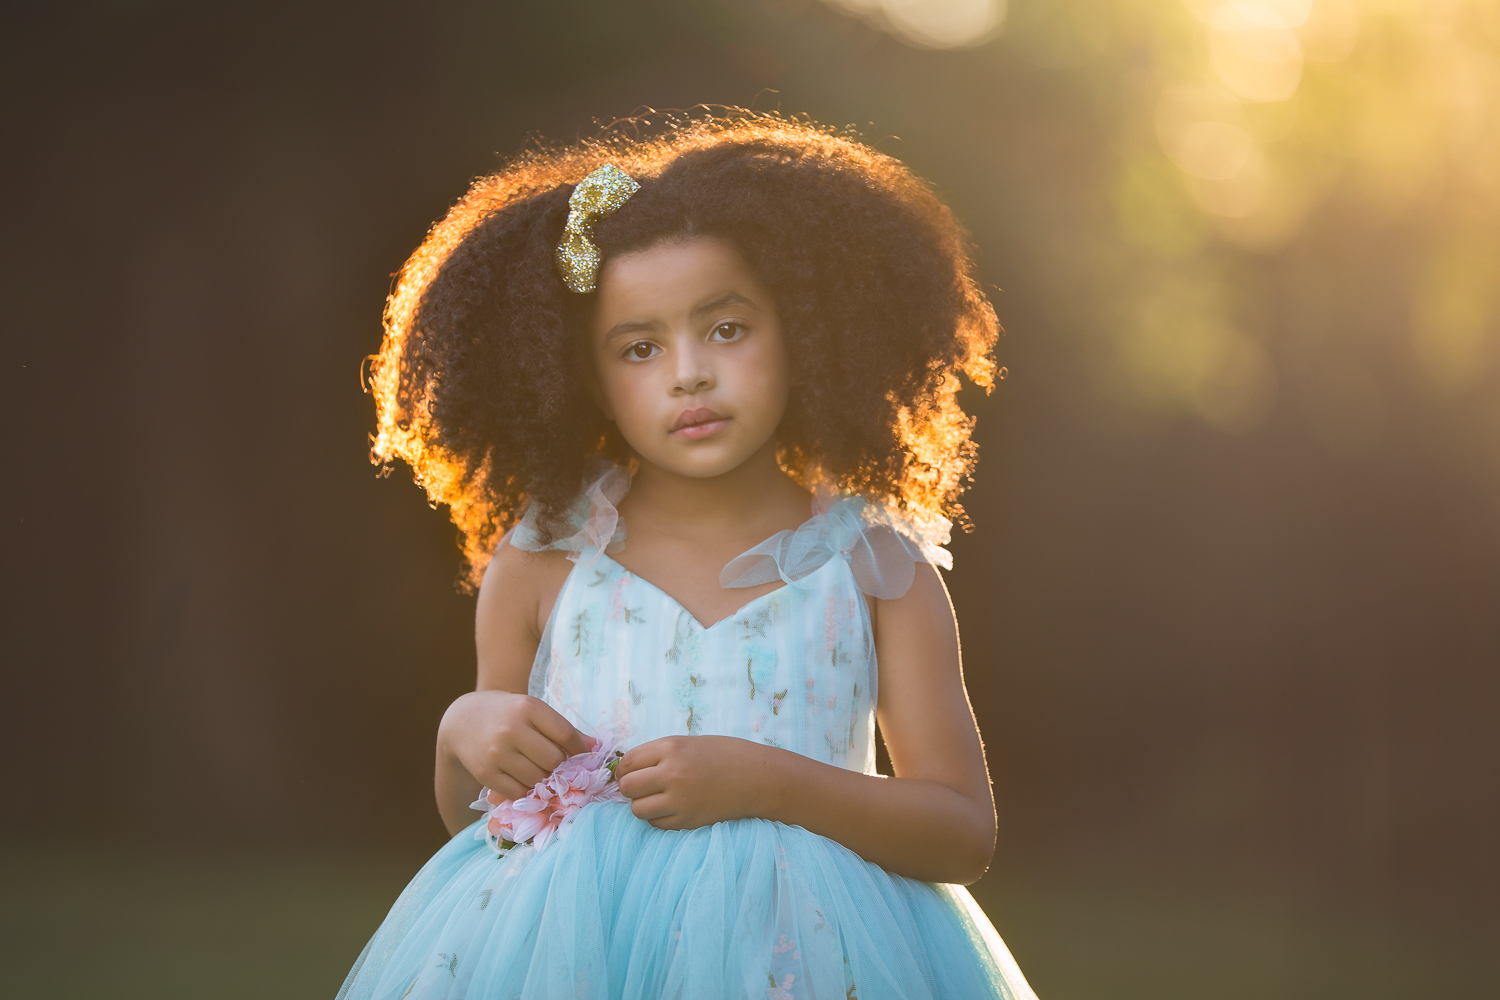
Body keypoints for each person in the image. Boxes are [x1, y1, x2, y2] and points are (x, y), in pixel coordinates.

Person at [341, 111, 1037, 1000]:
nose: (688, 375)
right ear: (584, 380)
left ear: (805, 333)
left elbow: (960, 832)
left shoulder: (874, 571)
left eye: (727, 329)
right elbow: (493, 829)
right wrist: (460, 735)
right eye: (640, 348)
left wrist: (768, 783)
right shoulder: (544, 565)